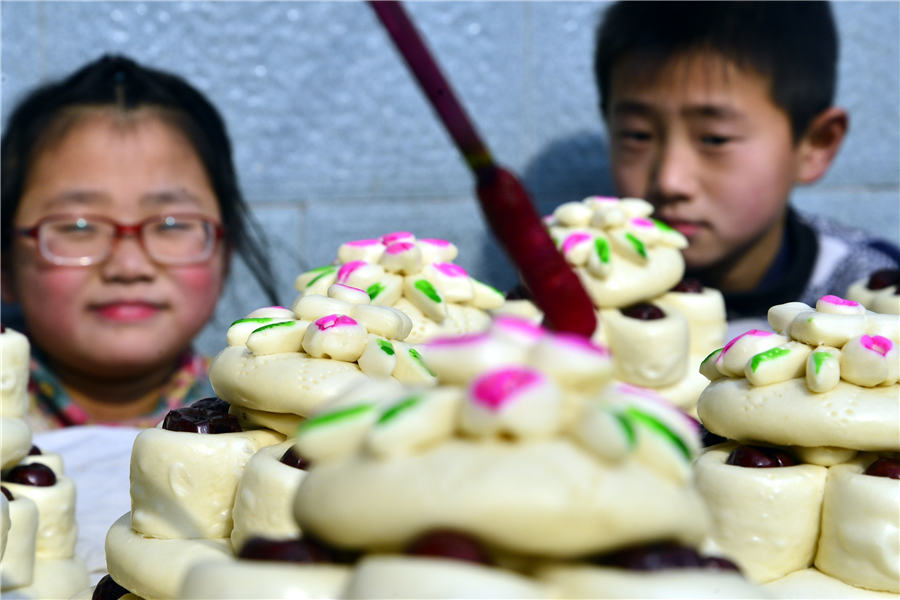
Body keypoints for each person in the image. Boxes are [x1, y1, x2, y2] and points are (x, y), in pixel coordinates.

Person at [1, 54, 278, 430]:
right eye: (77, 226)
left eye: (172, 224)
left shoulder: (277, 424)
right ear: (5, 265)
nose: (128, 268)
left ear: (224, 253)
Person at [593, 1, 900, 319]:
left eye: (715, 139)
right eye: (637, 135)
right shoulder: (576, 288)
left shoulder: (874, 293)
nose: (670, 181)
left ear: (815, 145)